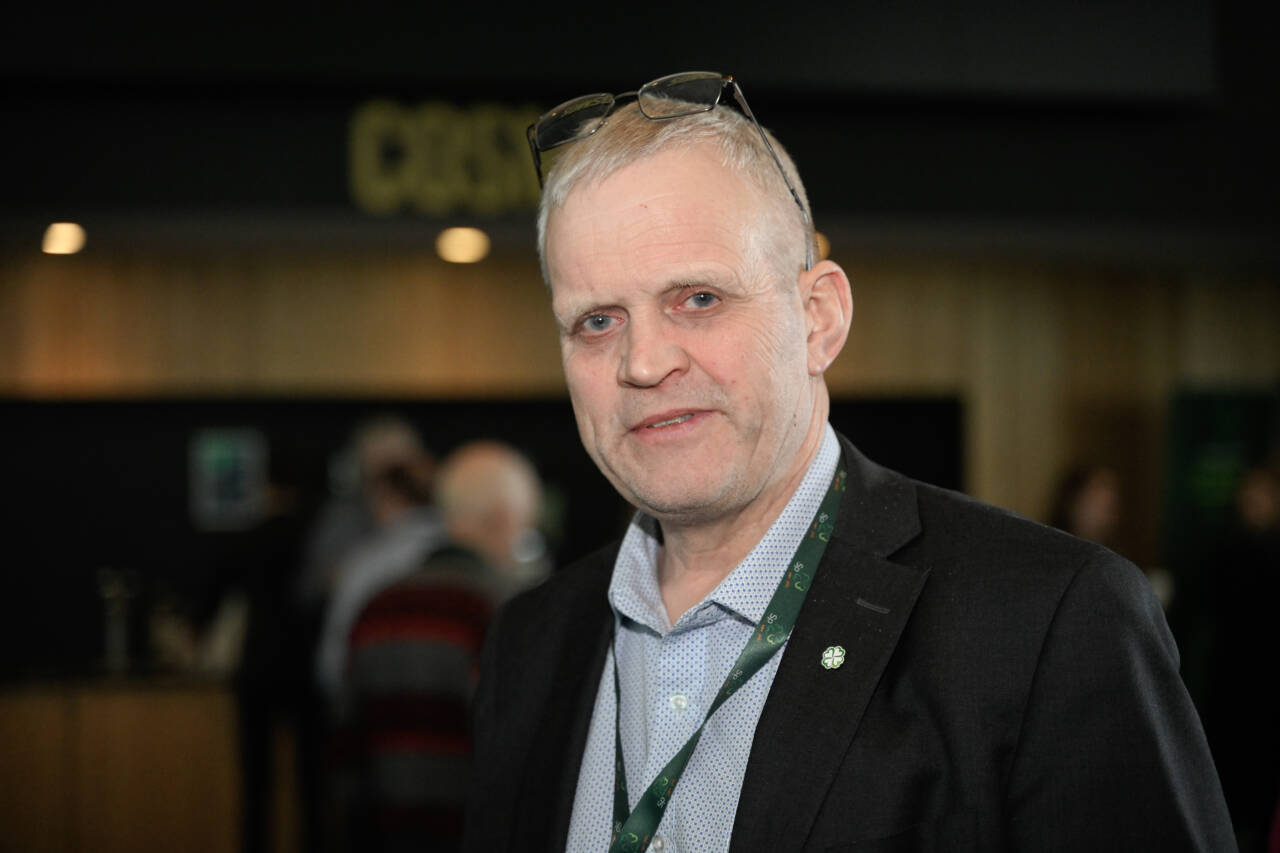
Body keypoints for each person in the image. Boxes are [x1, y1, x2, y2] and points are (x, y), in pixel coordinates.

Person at [464, 72, 1234, 852]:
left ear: (819, 319)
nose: (643, 360)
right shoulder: (529, 644)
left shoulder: (1044, 624)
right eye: (597, 320)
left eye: (697, 298)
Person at [341, 441, 547, 852]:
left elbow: (345, 745)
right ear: (503, 518)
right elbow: (520, 754)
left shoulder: (376, 609)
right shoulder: (508, 613)